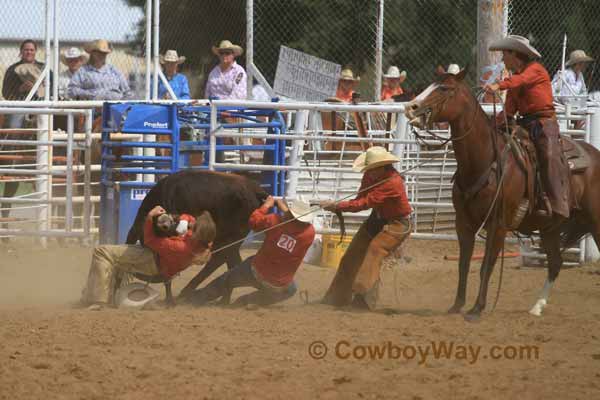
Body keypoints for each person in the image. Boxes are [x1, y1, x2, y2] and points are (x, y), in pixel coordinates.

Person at [484, 35, 570, 218]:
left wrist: (498, 85)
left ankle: (557, 202)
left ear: (514, 53)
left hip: (544, 123)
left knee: (548, 154)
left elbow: (520, 81)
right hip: (525, 123)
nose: (502, 59)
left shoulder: (535, 70)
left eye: (504, 55)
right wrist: (494, 124)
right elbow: (509, 109)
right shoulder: (517, 77)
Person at [321, 146, 412, 310]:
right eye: (369, 169)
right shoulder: (370, 176)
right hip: (377, 218)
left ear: (382, 166)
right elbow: (360, 198)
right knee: (351, 255)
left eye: (373, 169)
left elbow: (364, 203)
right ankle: (337, 297)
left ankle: (363, 300)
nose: (370, 172)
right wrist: (338, 206)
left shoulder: (393, 182)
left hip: (397, 223)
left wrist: (337, 206)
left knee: (375, 250)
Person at [189, 197, 315, 307]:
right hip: (279, 285)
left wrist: (266, 205)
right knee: (291, 289)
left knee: (226, 280)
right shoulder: (309, 233)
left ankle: (196, 299)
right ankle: (247, 301)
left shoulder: (274, 221)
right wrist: (283, 207)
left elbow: (254, 221)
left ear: (291, 214)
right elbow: (293, 222)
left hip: (256, 271)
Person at [80, 206, 216, 308]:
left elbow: (149, 240)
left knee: (102, 252)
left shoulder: (180, 248)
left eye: (195, 224)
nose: (193, 222)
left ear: (197, 231)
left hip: (152, 262)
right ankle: (100, 294)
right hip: (161, 259)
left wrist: (150, 217)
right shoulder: (203, 243)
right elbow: (189, 217)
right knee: (116, 254)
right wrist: (185, 221)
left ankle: (98, 300)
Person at [68, 39, 133, 101]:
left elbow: (127, 92)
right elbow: (72, 90)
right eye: (99, 52)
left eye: (104, 53)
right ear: (92, 53)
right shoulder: (83, 71)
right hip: (92, 108)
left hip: (114, 107)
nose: (102, 55)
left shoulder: (114, 71)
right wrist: (91, 95)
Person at [2, 39, 45, 128]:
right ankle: (15, 141)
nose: (29, 52)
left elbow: (52, 88)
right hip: (19, 104)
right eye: (26, 50)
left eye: (31, 50)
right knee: (14, 126)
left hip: (41, 103)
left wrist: (40, 89)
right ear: (21, 51)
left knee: (45, 124)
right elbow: (5, 92)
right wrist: (20, 89)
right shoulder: (12, 70)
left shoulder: (43, 68)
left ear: (35, 52)